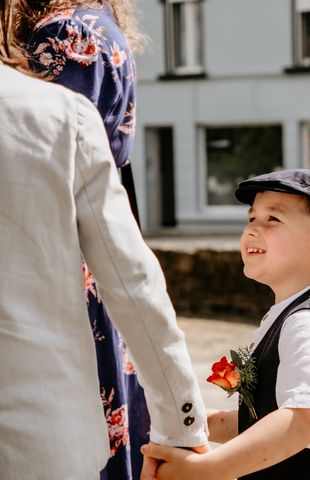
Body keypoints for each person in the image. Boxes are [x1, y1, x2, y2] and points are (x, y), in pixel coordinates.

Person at [0, 3, 208, 478]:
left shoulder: (68, 36)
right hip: (41, 431)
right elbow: (135, 284)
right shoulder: (80, 52)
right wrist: (183, 430)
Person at [142, 169, 310, 479]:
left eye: (272, 220)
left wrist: (209, 469)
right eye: (251, 219)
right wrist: (200, 423)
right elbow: (266, 415)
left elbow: (303, 420)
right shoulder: (288, 315)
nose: (252, 230)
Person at [18, 2, 148, 478]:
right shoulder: (93, 24)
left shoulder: (68, 35)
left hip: (64, 251)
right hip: (87, 249)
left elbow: (36, 159)